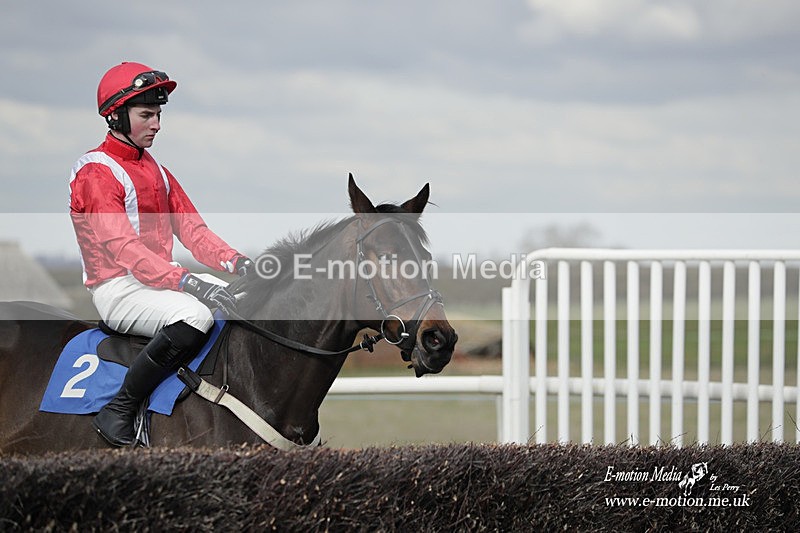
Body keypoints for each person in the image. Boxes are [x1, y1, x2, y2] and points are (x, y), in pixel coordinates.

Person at [69, 61, 253, 446]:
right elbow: (125, 249)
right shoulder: (96, 173)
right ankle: (120, 408)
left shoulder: (159, 172)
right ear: (116, 115)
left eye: (158, 115)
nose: (156, 124)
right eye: (146, 115)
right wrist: (186, 281)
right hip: (118, 288)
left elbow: (194, 232)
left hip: (160, 281)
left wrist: (238, 262)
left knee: (240, 300)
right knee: (195, 314)